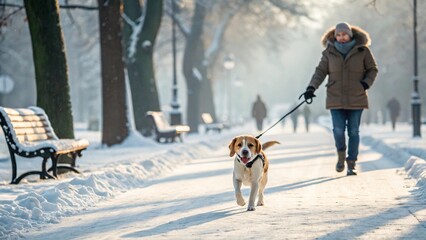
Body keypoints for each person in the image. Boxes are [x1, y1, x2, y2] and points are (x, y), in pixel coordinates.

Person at [301, 22, 378, 176]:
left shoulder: (362, 50)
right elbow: (320, 72)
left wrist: (365, 84)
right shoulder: (329, 52)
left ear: (350, 35)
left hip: (357, 98)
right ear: (335, 36)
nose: (341, 37)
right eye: (338, 35)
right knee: (337, 130)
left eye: (344, 34)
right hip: (335, 98)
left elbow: (372, 69)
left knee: (354, 132)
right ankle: (341, 156)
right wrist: (311, 88)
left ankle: (352, 163)